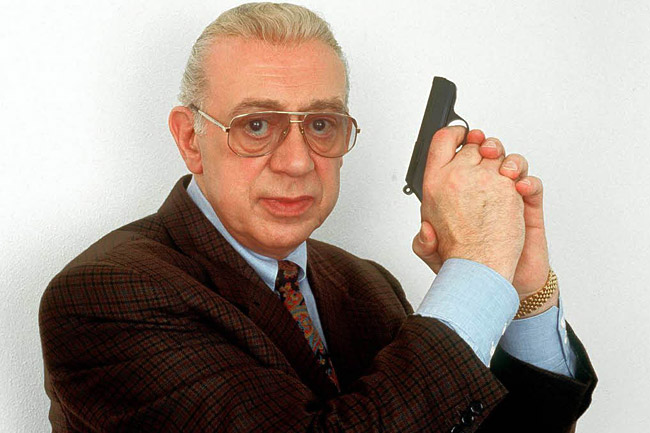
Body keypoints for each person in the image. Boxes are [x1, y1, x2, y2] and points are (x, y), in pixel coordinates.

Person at [39, 3, 596, 432]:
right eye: (257, 125)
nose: (298, 161)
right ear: (190, 138)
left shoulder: (368, 284)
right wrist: (475, 269)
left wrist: (520, 289)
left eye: (322, 125)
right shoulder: (102, 296)